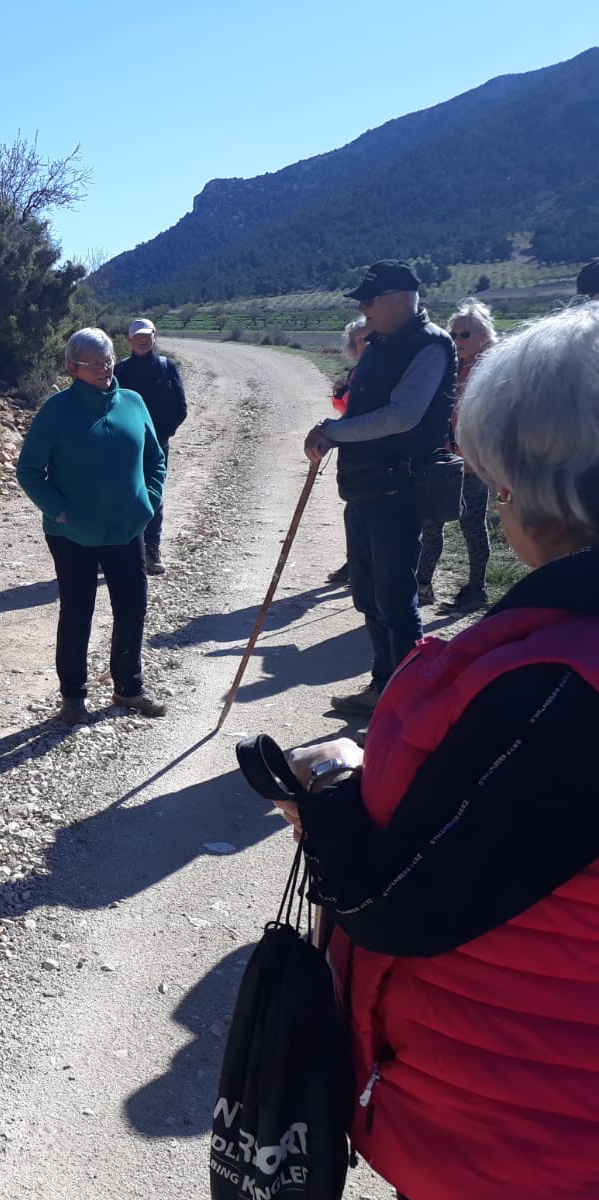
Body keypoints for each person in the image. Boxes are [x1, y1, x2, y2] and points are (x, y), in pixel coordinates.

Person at [270, 302, 599, 1200]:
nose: (497, 499)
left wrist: (325, 803)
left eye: (499, 483)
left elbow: (396, 901)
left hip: (521, 1139)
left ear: (541, 492)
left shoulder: (556, 690)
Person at [304, 261, 456, 716]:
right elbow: (358, 410)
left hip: (397, 489)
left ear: (399, 299)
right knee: (368, 595)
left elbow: (402, 416)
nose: (362, 308)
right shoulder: (381, 342)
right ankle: (383, 685)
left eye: (369, 300)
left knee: (394, 598)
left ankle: (407, 700)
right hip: (364, 486)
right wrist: (333, 430)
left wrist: (334, 432)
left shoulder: (430, 346)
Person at [17, 328, 167, 726]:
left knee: (132, 608)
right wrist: (60, 511)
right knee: (77, 612)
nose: (105, 368)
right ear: (72, 368)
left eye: (109, 360)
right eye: (95, 363)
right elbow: (29, 471)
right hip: (73, 535)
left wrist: (149, 500)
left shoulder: (132, 402)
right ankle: (73, 698)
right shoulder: (57, 410)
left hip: (126, 528)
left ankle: (128, 687)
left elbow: (155, 459)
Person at [415, 299, 495, 610]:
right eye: (454, 334)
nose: (457, 339)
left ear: (484, 336)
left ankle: (476, 589)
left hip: (474, 463)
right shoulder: (451, 366)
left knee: (472, 525)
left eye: (465, 334)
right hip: (443, 461)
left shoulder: (493, 372)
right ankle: (422, 586)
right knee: (430, 523)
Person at [114, 317, 187, 575]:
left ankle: (151, 549)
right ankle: (119, 549)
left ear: (154, 336)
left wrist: (163, 435)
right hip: (124, 446)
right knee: (122, 494)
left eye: (147, 335)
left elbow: (180, 407)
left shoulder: (167, 367)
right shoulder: (120, 370)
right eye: (138, 336)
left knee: (152, 495)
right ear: (129, 340)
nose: (143, 340)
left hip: (157, 446)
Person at [325, 316, 369, 586]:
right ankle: (355, 563)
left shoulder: (385, 371)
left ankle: (363, 567)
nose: (366, 343)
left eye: (370, 337)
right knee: (353, 509)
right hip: (355, 450)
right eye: (361, 339)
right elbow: (347, 411)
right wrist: (340, 396)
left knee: (364, 511)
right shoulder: (356, 372)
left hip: (375, 451)